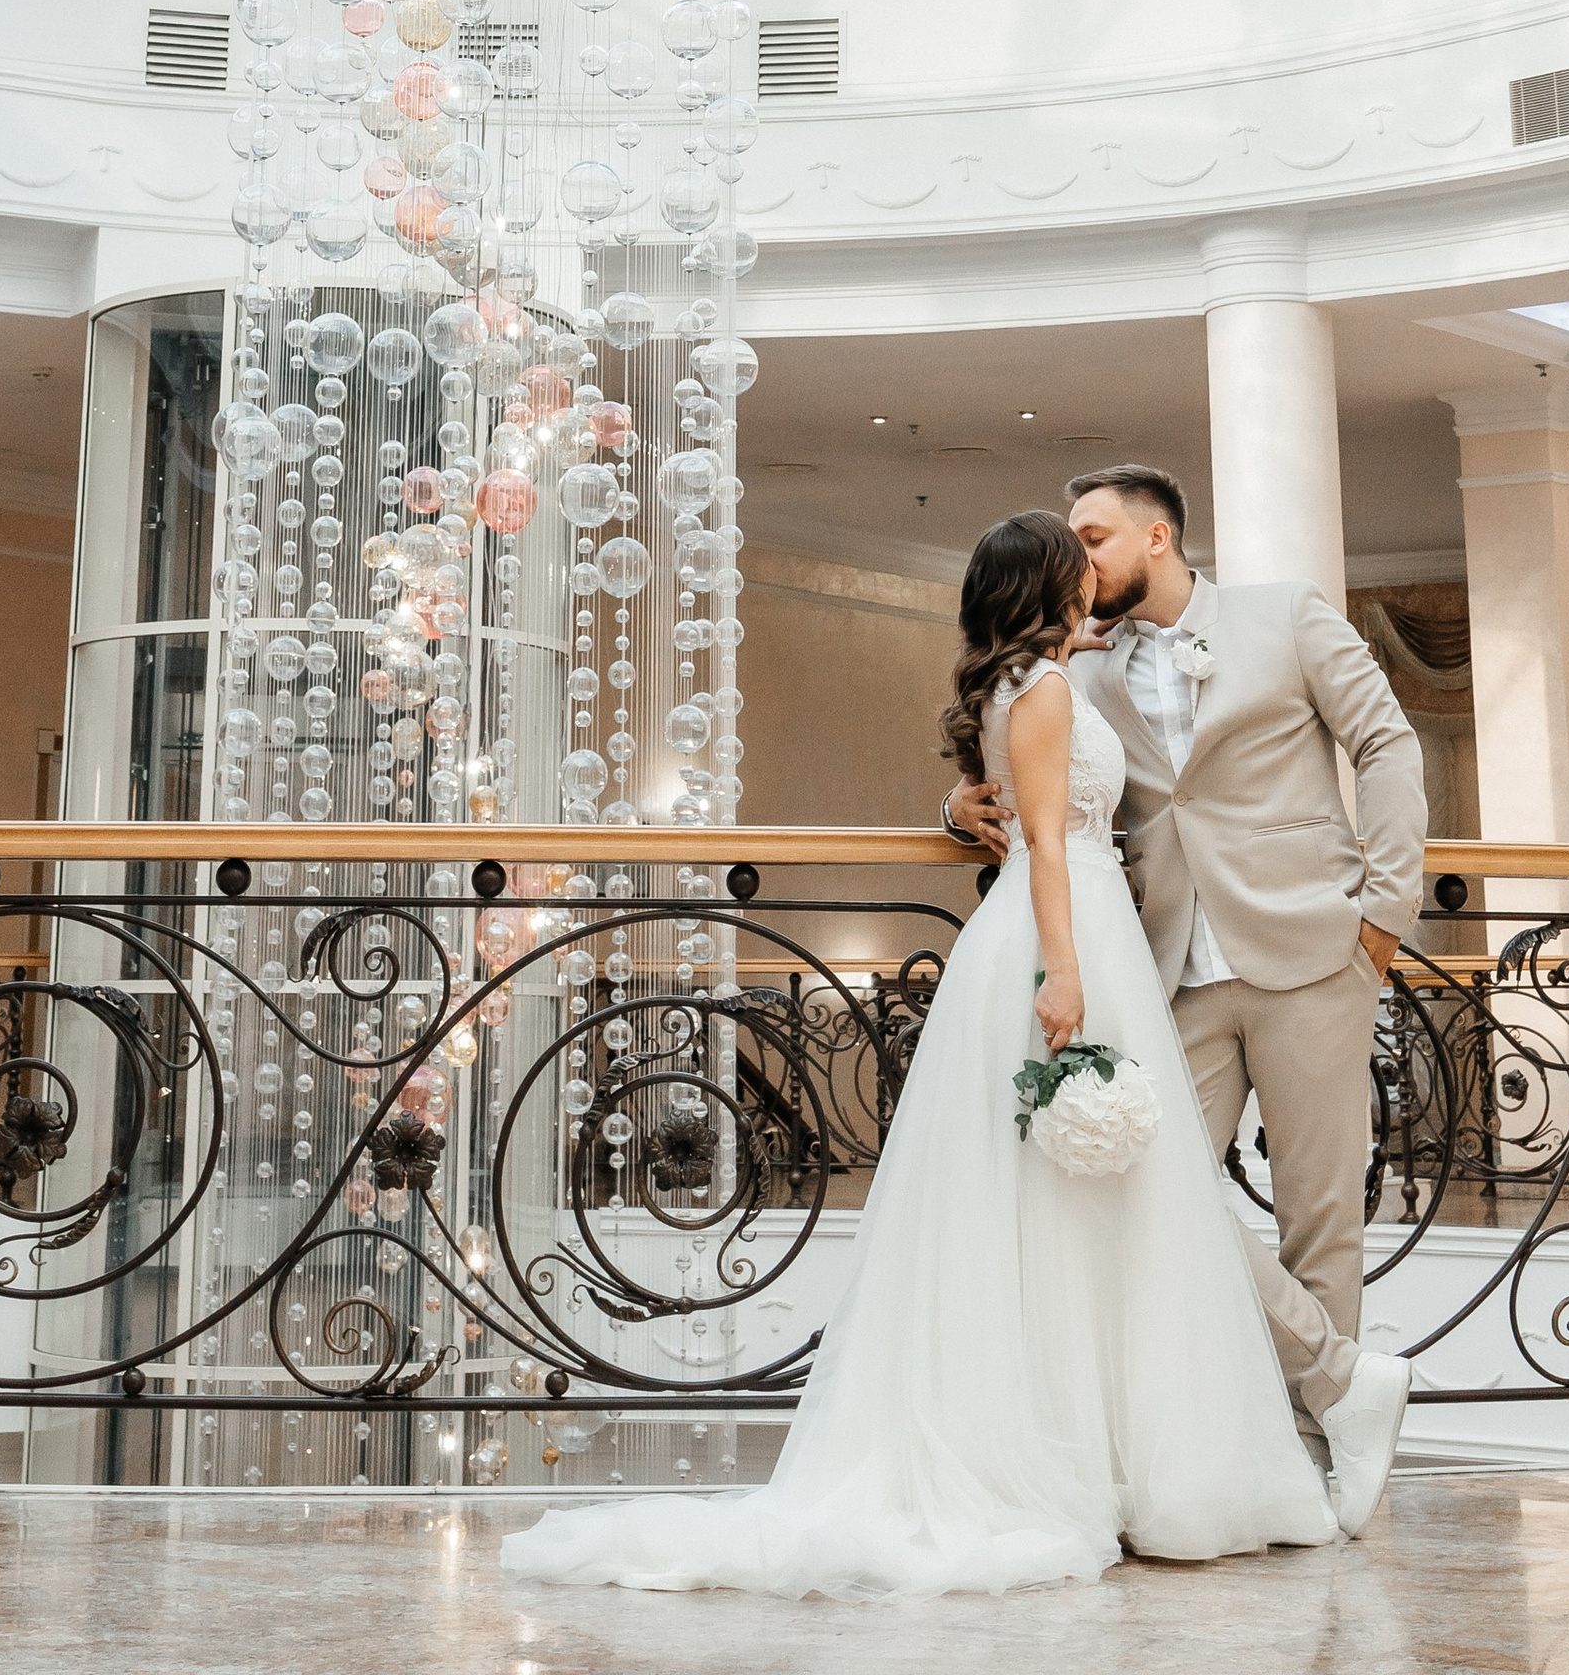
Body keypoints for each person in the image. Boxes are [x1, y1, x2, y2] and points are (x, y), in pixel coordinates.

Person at [511, 510, 1335, 1600]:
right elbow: (1046, 838)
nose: (1093, 576)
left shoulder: (1032, 679)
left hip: (1072, 927)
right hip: (1064, 928)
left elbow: (1025, 794)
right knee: (1069, 1198)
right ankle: (1103, 1466)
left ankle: (1105, 1456)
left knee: (1074, 1203)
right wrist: (1064, 971)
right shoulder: (1038, 691)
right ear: (1051, 586)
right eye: (1074, 564)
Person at [944, 464, 1424, 1537]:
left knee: (1319, 1219)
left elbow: (1387, 743)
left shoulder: (1284, 613)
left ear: (1157, 537)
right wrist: (954, 802)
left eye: (1096, 534)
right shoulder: (1078, 662)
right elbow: (1030, 767)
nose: (1080, 555)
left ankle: (1315, 1464)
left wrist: (1383, 913)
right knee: (1147, 1204)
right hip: (1159, 969)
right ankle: (1281, 1411)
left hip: (1312, 949)